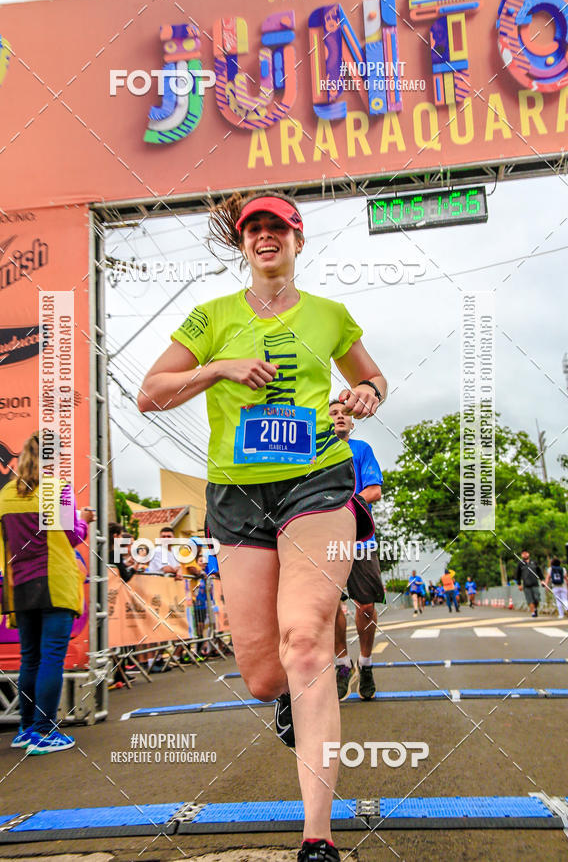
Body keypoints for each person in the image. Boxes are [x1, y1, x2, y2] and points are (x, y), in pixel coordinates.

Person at [138, 190, 386, 862]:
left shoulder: (330, 314)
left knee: (305, 641)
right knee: (263, 675)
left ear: (298, 241)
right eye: (254, 228)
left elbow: (373, 378)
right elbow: (150, 393)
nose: (266, 236)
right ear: (243, 243)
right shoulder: (211, 316)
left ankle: (318, 837)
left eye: (279, 226)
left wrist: (364, 393)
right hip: (237, 494)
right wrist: (218, 367)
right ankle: (285, 698)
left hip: (318, 480)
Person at [0, 431, 95, 754]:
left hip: (20, 585)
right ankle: (45, 732)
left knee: (30, 658)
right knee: (51, 657)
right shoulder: (56, 490)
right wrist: (84, 520)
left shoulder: (5, 494)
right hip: (55, 583)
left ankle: (26, 729)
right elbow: (72, 535)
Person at [328, 399, 385, 702]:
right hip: (325, 542)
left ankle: (366, 663)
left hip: (360, 540)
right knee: (330, 607)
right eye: (333, 413)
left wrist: (345, 508)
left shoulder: (361, 450)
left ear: (352, 422)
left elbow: (374, 490)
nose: (340, 417)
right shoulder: (315, 453)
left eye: (345, 414)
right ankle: (342, 664)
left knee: (366, 606)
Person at [515, 550, 544, 617]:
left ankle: (535, 608)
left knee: (537, 598)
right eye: (523, 554)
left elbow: (539, 571)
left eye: (526, 553)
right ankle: (533, 612)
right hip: (526, 585)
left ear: (528, 554)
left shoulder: (534, 562)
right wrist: (519, 584)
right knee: (529, 599)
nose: (525, 555)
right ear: (521, 555)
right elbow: (518, 575)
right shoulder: (520, 564)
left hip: (535, 584)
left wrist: (542, 580)